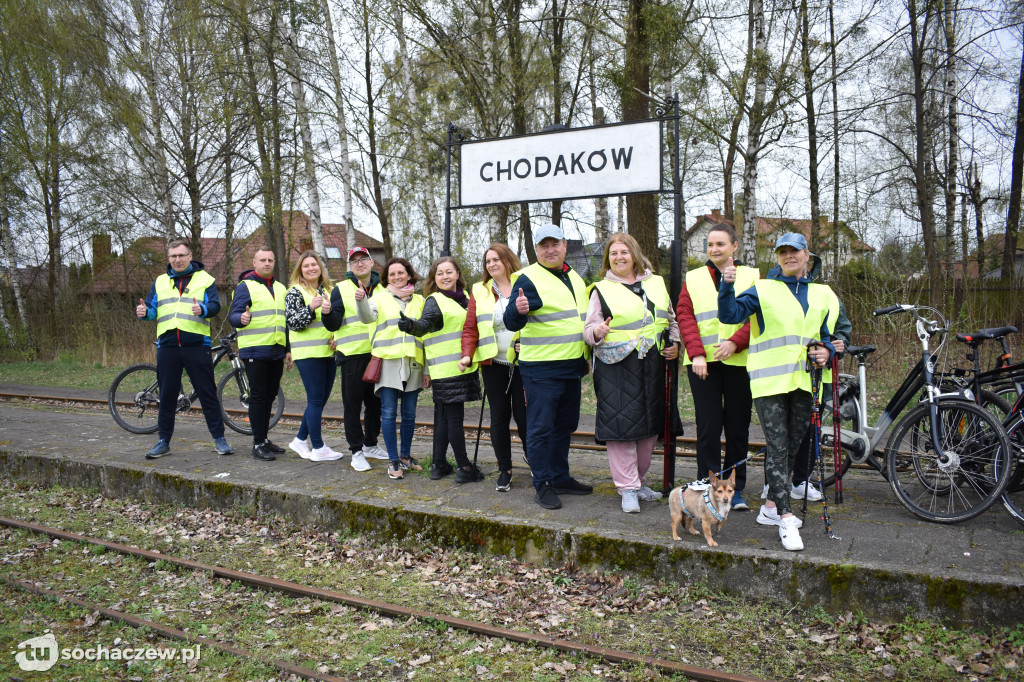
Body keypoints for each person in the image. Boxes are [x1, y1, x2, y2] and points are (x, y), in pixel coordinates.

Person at [718, 232, 838, 551]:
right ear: (778, 257)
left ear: (806, 255)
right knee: (778, 444)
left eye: (794, 251)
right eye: (782, 252)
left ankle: (770, 507)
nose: (788, 256)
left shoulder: (823, 293)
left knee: (793, 446)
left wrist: (828, 351)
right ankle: (785, 518)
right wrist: (726, 286)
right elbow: (730, 316)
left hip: (805, 380)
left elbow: (836, 334)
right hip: (769, 381)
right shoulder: (763, 289)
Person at [584, 233, 679, 513]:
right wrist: (597, 332)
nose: (619, 257)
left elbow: (669, 319)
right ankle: (627, 488)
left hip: (652, 364)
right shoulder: (600, 289)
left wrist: (674, 344)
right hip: (617, 367)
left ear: (634, 254)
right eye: (613, 253)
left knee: (650, 428)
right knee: (621, 429)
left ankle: (638, 482)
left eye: (624, 252)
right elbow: (589, 331)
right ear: (608, 259)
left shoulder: (656, 283)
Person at [504, 223, 593, 510]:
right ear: (537, 250)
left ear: (565, 245)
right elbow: (511, 321)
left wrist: (585, 358)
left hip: (571, 366)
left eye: (555, 244)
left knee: (565, 426)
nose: (550, 249)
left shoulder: (575, 278)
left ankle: (560, 477)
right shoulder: (527, 278)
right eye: (544, 245)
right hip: (541, 369)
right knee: (541, 429)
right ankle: (541, 484)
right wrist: (517, 313)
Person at [676, 223, 757, 510]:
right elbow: (684, 315)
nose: (714, 249)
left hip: (739, 361)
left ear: (735, 246)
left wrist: (736, 342)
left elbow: (758, 318)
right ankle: (707, 486)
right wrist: (697, 353)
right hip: (703, 364)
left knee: (737, 428)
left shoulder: (753, 277)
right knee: (708, 427)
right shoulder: (694, 277)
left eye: (720, 244)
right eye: (710, 245)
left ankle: (736, 489)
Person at [767, 251, 853, 503]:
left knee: (808, 430)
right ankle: (772, 486)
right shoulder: (772, 290)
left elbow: (841, 331)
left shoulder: (825, 295)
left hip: (814, 376)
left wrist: (834, 348)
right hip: (778, 376)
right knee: (779, 435)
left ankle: (800, 480)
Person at [135, 238, 232, 459]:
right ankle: (163, 442)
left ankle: (220, 439)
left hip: (197, 345)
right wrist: (144, 313)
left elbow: (216, 306)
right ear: (168, 258)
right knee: (167, 396)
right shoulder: (160, 281)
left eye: (181, 255)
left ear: (190, 256)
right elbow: (152, 310)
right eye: (173, 256)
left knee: (207, 394)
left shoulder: (205, 279)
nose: (177, 259)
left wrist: (204, 309)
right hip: (168, 346)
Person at [399, 257, 484, 484]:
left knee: (443, 418)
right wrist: (410, 326)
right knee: (454, 418)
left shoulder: (465, 298)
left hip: (462, 366)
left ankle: (439, 464)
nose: (445, 277)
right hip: (447, 370)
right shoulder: (434, 300)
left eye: (449, 272)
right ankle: (465, 466)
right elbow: (424, 325)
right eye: (439, 273)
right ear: (434, 278)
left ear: (458, 273)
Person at [459, 244, 529, 492]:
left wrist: (529, 343)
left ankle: (533, 457)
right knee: (498, 418)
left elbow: (540, 320)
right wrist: (467, 355)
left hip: (524, 364)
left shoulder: (527, 282)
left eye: (496, 259)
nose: (491, 264)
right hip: (493, 364)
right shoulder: (480, 290)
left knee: (524, 417)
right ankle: (505, 469)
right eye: (487, 261)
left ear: (508, 260)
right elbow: (470, 328)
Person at [356, 257, 426, 479]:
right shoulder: (379, 298)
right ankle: (393, 460)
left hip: (413, 363)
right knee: (388, 413)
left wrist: (427, 370)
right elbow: (367, 318)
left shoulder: (420, 301)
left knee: (409, 414)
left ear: (408, 274)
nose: (397, 277)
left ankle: (405, 457)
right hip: (387, 362)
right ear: (387, 278)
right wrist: (361, 301)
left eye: (401, 272)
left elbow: (426, 335)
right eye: (392, 274)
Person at [229, 246, 291, 461]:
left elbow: (285, 322)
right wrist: (241, 319)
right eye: (262, 260)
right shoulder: (245, 287)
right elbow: (234, 315)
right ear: (254, 263)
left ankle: (264, 439)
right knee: (257, 396)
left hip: (276, 351)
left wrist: (288, 350)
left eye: (270, 260)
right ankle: (257, 443)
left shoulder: (282, 288)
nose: (267, 263)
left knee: (270, 396)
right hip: (254, 349)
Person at [326, 247, 385, 472]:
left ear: (371, 263)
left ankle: (371, 444)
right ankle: (356, 451)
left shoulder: (383, 289)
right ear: (350, 267)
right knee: (353, 406)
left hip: (378, 354)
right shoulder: (340, 289)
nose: (359, 264)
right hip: (353, 356)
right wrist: (326, 313)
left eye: (363, 260)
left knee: (376, 404)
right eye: (354, 261)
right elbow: (333, 324)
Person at [284, 250, 343, 462]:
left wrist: (337, 336)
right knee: (316, 399)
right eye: (306, 266)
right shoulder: (294, 292)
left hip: (328, 352)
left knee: (319, 400)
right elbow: (292, 322)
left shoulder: (330, 289)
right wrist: (310, 308)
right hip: (308, 353)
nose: (311, 268)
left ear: (320, 267)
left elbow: (337, 318)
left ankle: (300, 440)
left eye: (314, 265)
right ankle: (318, 448)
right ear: (300, 270)